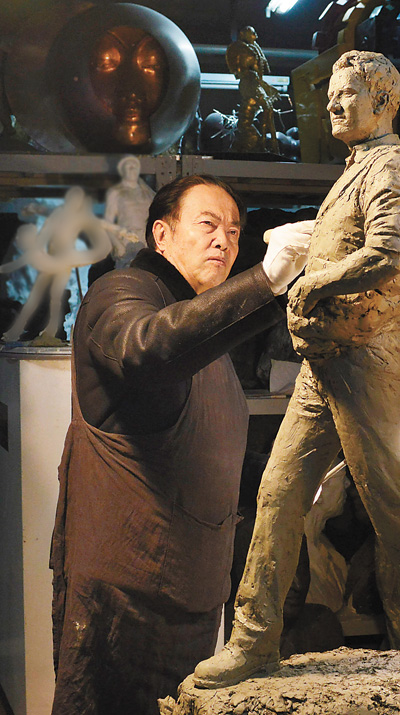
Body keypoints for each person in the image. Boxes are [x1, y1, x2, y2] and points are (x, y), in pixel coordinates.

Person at [50, 173, 313, 714]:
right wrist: (266, 279)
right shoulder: (122, 293)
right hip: (126, 594)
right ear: (162, 235)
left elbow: (205, 449)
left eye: (234, 232)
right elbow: (145, 349)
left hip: (192, 590)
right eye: (208, 224)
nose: (224, 241)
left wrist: (296, 474)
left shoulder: (206, 325)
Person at [193, 50, 400, 689]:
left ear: (384, 101)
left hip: (363, 361)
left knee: (391, 508)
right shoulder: (356, 169)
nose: (332, 103)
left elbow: (389, 252)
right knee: (279, 492)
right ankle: (254, 641)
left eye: (347, 94)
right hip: (323, 363)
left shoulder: (389, 166)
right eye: (330, 93)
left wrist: (313, 282)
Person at [0, 187, 116, 342]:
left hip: (64, 260)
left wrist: (122, 233)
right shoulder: (58, 213)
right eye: (72, 197)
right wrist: (39, 249)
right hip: (50, 258)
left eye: (77, 198)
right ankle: (17, 329)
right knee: (35, 296)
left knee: (56, 296)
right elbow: (45, 232)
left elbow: (103, 226)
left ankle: (51, 329)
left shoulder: (82, 217)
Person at [104, 155, 155, 268]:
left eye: (134, 166)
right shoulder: (116, 193)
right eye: (129, 167)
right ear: (123, 170)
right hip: (127, 242)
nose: (132, 169)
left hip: (146, 242)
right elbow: (108, 223)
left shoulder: (148, 193)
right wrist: (117, 244)